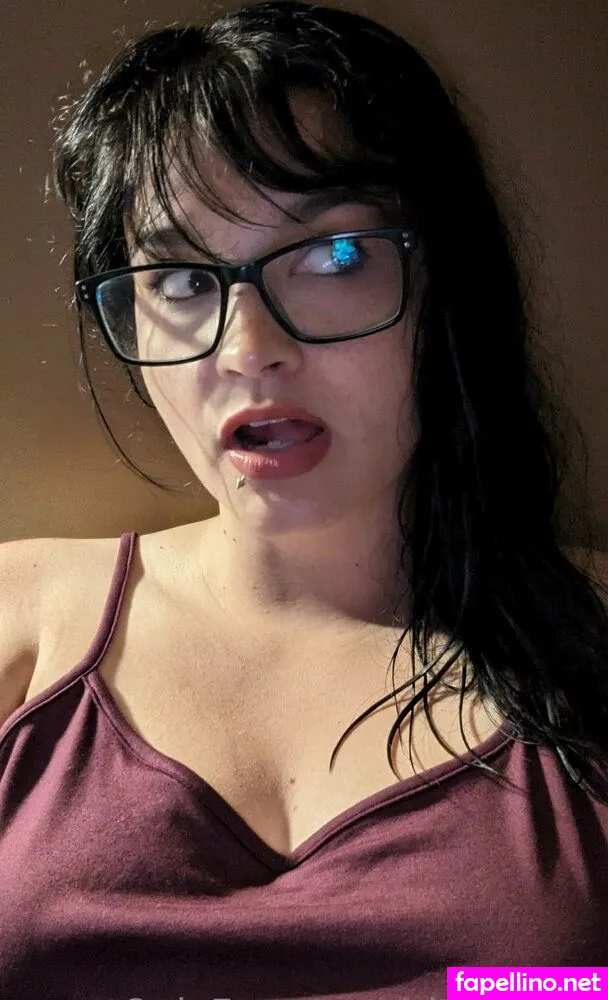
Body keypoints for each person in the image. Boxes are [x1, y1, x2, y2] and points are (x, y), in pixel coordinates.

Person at [1, 1, 607, 996]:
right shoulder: (23, 620)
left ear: (444, 285)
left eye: (334, 256)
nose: (249, 350)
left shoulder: (588, 637)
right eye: (181, 279)